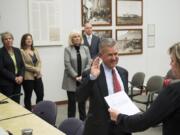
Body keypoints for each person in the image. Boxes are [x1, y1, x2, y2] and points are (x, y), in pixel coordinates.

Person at [108, 42, 180, 135]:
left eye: (172, 60)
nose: (170, 64)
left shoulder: (173, 91)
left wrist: (119, 117)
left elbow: (143, 122)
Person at [76, 38, 131, 135]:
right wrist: (92, 77)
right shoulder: (91, 74)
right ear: (101, 56)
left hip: (121, 126)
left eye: (116, 54)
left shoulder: (123, 73)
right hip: (100, 129)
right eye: (110, 55)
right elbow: (80, 97)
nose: (114, 58)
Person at [62, 31, 91, 121]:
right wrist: (75, 76)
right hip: (71, 80)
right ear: (71, 39)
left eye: (78, 36)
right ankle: (71, 123)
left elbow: (89, 63)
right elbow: (67, 64)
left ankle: (83, 123)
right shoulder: (67, 49)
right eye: (74, 37)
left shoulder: (85, 48)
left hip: (83, 80)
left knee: (82, 103)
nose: (77, 38)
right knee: (72, 103)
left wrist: (83, 75)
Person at [20, 33, 44, 111]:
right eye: (27, 39)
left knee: (40, 94)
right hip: (28, 77)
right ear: (24, 41)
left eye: (30, 38)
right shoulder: (21, 51)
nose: (29, 40)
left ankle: (38, 111)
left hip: (37, 76)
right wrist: (35, 69)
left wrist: (38, 69)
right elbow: (24, 65)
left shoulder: (35, 50)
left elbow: (39, 61)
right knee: (28, 96)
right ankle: (28, 112)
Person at [0, 32, 25, 103]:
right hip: (6, 83)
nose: (8, 40)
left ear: (12, 39)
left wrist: (21, 76)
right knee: (8, 104)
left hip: (18, 82)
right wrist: (14, 78)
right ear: (3, 41)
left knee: (17, 103)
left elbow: (22, 66)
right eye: (6, 39)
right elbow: (1, 69)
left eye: (10, 38)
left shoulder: (17, 50)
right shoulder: (1, 52)